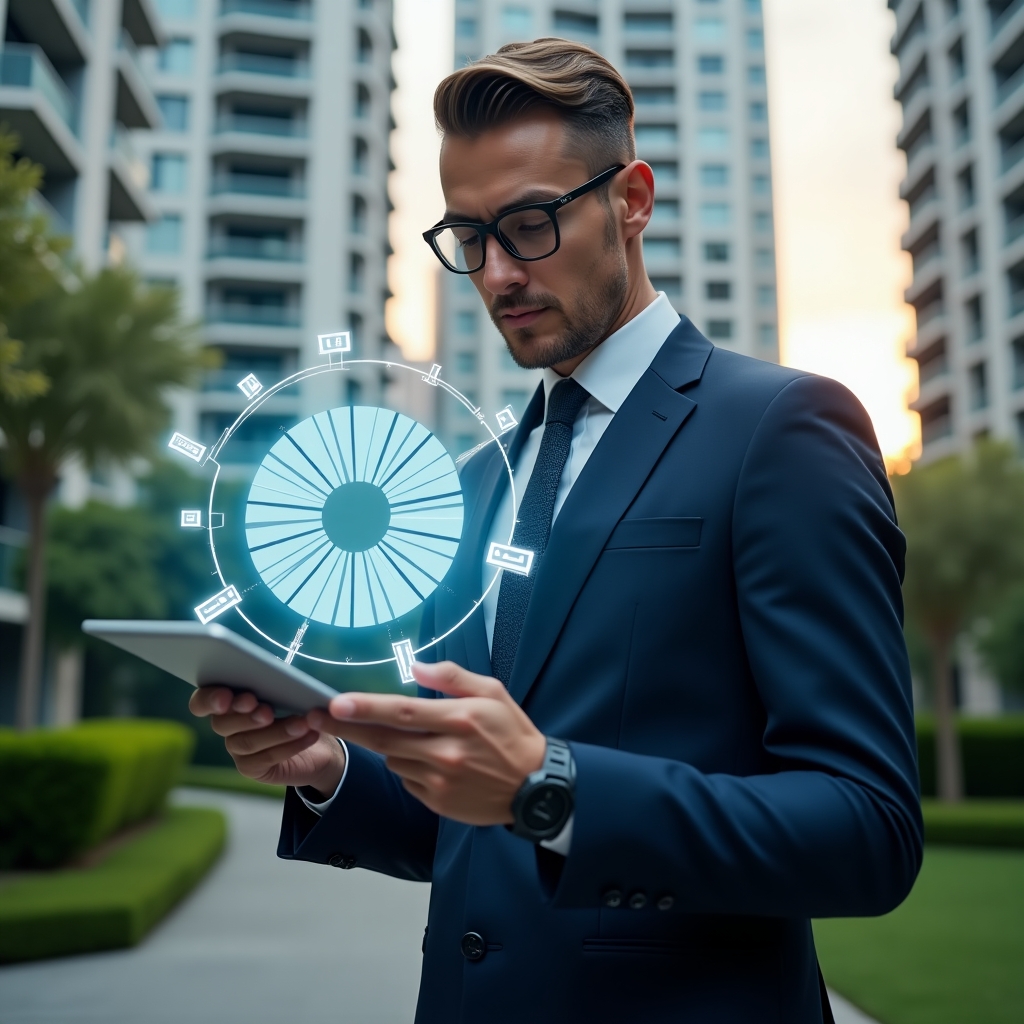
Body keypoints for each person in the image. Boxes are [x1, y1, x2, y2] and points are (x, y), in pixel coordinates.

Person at [190, 39, 923, 1024]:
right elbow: (471, 829)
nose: (497, 273)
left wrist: (553, 788)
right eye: (468, 237)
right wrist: (329, 773)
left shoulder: (781, 430)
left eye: (530, 225)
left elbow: (867, 828)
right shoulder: (474, 483)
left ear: (631, 200)